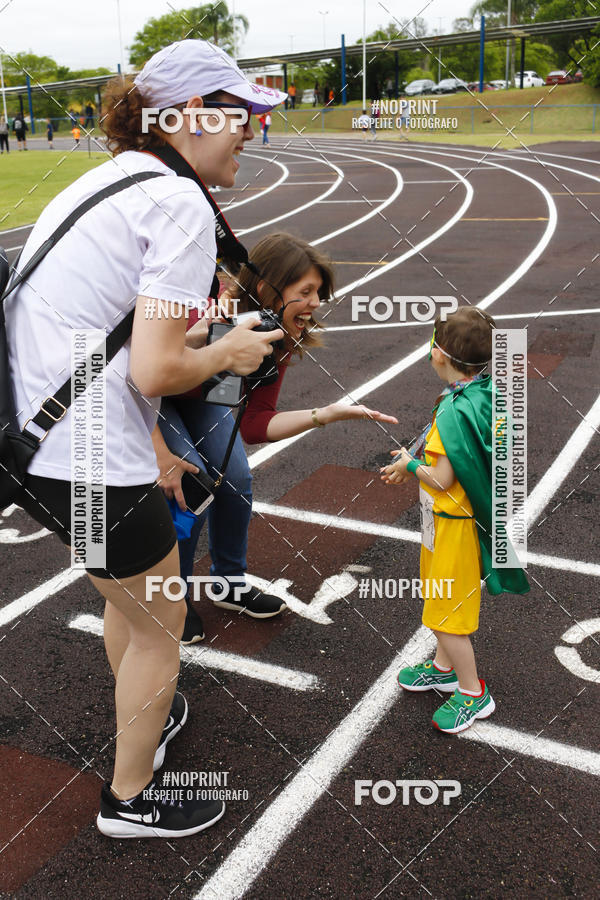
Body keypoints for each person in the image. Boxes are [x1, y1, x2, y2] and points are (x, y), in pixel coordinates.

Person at [5, 38, 286, 838]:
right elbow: (159, 372)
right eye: (241, 117)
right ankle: (131, 800)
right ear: (192, 116)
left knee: (128, 605)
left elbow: (114, 331)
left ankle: (145, 725)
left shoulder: (112, 179)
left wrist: (199, 343)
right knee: (162, 621)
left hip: (46, 447)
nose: (250, 134)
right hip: (87, 453)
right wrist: (228, 352)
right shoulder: (179, 203)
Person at [155, 232, 398, 644]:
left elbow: (255, 423)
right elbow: (124, 377)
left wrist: (325, 415)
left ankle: (228, 584)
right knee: (191, 485)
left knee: (235, 481)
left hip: (197, 395)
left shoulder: (276, 330)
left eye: (319, 292)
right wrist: (160, 453)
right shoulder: (198, 302)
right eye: (306, 291)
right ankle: (169, 600)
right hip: (147, 395)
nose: (316, 303)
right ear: (267, 289)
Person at [380, 307, 529, 734]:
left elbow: (442, 479)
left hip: (452, 523)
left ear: (439, 355)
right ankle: (444, 668)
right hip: (450, 520)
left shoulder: (451, 411)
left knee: (444, 614)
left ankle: (472, 693)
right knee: (442, 601)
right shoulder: (481, 392)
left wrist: (410, 466)